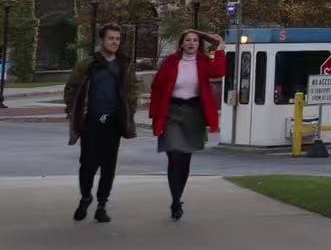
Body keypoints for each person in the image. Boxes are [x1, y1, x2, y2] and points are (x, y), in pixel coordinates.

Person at [147, 29, 227, 220]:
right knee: (174, 155)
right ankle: (175, 201)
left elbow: (219, 71)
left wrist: (221, 48)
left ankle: (178, 197)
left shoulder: (203, 62)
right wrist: (156, 114)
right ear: (181, 43)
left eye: (195, 40)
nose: (191, 43)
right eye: (188, 40)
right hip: (172, 112)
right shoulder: (171, 62)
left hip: (193, 113)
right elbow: (157, 86)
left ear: (199, 44)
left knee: (184, 159)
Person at [64, 23, 139, 223]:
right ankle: (85, 197)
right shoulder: (88, 64)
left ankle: (101, 205)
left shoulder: (124, 65)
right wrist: (73, 110)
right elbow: (71, 87)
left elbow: (132, 90)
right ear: (102, 40)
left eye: (117, 39)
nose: (114, 42)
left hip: (114, 123)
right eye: (110, 38)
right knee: (87, 164)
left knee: (108, 167)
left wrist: (129, 110)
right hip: (91, 122)